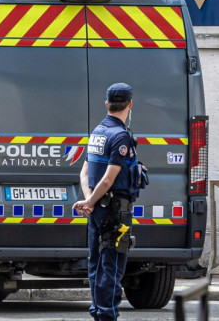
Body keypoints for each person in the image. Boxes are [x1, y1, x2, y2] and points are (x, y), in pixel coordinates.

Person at [73, 83, 148, 321]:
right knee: (112, 267)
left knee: (96, 265)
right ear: (130, 104)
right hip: (116, 214)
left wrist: (89, 201)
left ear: (107, 104)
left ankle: (98, 312)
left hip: (97, 212)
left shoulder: (97, 133)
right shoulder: (120, 136)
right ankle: (106, 316)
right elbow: (108, 179)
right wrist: (91, 201)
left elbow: (84, 174)